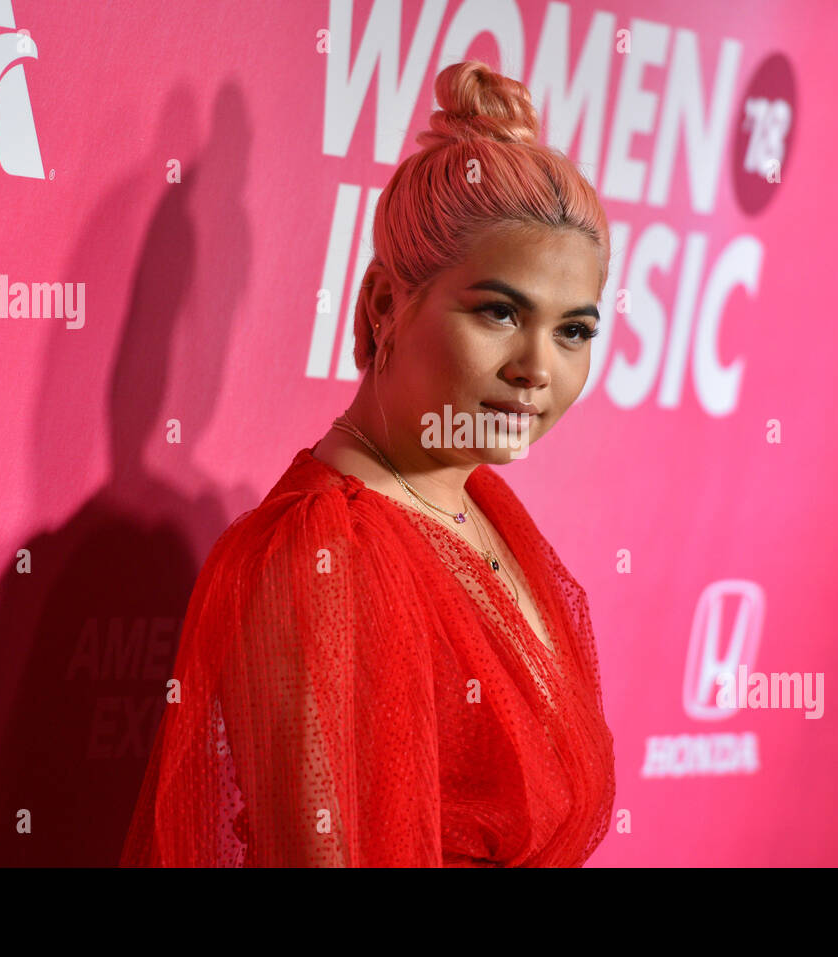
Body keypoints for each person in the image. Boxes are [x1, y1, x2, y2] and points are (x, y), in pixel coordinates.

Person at [120, 59, 615, 867]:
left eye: (574, 331)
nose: (537, 367)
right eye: (500, 311)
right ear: (385, 304)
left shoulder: (490, 515)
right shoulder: (322, 557)